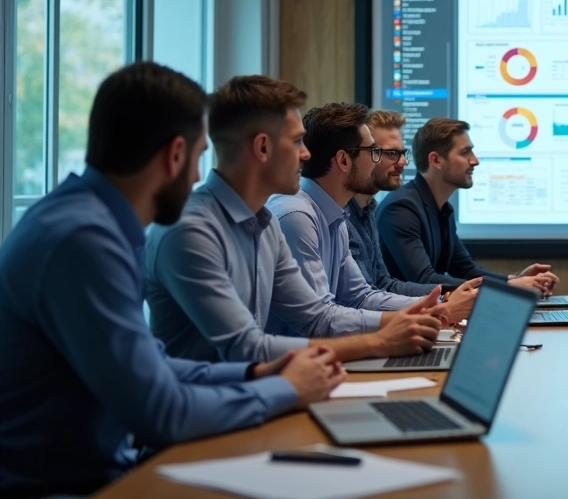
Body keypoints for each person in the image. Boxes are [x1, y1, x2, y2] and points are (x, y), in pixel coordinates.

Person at [0, 63, 344, 497]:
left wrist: (255, 373)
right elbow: (161, 411)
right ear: (175, 155)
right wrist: (283, 390)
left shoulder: (88, 222)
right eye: (199, 157)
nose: (199, 176)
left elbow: (153, 364)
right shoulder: (83, 239)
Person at [145, 77, 454, 364]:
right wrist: (383, 340)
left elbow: (316, 317)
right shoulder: (190, 230)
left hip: (255, 388)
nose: (306, 154)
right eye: (296, 142)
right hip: (213, 400)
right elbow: (245, 348)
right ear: (262, 147)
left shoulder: (265, 224)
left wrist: (414, 317)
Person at [266, 104, 477, 336]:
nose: (378, 162)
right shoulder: (296, 217)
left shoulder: (335, 214)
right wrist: (437, 311)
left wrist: (439, 306)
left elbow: (360, 296)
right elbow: (320, 320)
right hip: (294, 356)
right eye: (374, 152)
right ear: (344, 161)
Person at [377, 117, 559, 292]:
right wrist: (510, 287)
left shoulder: (442, 209)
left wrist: (514, 280)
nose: (475, 161)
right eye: (465, 153)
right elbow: (425, 280)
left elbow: (466, 271)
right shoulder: (401, 209)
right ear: (436, 160)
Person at [345, 110, 435, 296]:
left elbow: (382, 283)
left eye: (402, 153)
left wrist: (445, 295)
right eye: (392, 153)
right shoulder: (340, 216)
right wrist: (442, 299)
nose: (402, 162)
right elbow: (362, 298)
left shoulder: (369, 209)